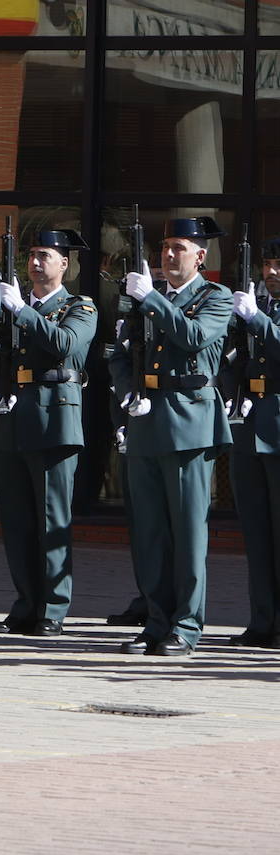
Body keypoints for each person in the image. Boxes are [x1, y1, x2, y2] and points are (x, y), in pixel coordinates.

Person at [109, 216, 231, 656]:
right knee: (149, 534)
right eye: (164, 247)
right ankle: (155, 622)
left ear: (200, 255)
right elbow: (119, 355)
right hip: (145, 420)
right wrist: (128, 394)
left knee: (187, 533)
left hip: (188, 422)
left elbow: (194, 338)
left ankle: (186, 626)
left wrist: (152, 301)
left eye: (178, 247)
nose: (168, 254)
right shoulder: (147, 297)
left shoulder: (215, 298)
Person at [0, 229, 96, 636]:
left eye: (45, 255)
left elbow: (65, 344)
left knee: (52, 520)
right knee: (16, 520)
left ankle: (52, 609)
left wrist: (23, 313)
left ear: (64, 264)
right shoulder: (11, 308)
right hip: (14, 418)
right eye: (32, 255)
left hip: (54, 420)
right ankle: (25, 604)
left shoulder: (78, 306)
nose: (36, 263)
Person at [221, 237, 280, 648]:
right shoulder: (256, 303)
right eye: (268, 263)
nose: (271, 272)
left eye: (279, 264)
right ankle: (262, 621)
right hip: (249, 425)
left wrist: (257, 320)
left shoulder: (260, 311)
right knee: (257, 534)